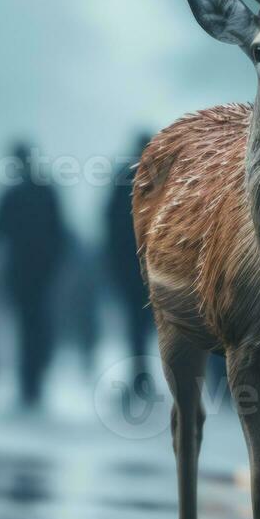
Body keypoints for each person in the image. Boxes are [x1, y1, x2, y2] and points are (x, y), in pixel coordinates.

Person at [0, 143, 67, 408]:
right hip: (39, 272)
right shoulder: (44, 192)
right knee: (37, 324)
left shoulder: (16, 195)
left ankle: (30, 379)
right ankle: (34, 377)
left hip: (25, 272)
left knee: (30, 324)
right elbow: (59, 233)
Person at [105, 134, 154, 394]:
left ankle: (140, 376)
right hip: (157, 267)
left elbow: (111, 225)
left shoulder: (124, 178)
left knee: (136, 325)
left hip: (132, 267)